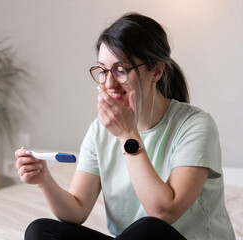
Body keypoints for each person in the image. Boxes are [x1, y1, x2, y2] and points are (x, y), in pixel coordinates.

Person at [15, 12, 236, 240]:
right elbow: (77, 209)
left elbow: (163, 212)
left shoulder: (195, 125)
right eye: (103, 70)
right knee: (41, 231)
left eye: (121, 70)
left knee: (149, 228)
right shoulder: (99, 130)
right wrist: (45, 181)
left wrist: (128, 135)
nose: (109, 83)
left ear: (157, 71)